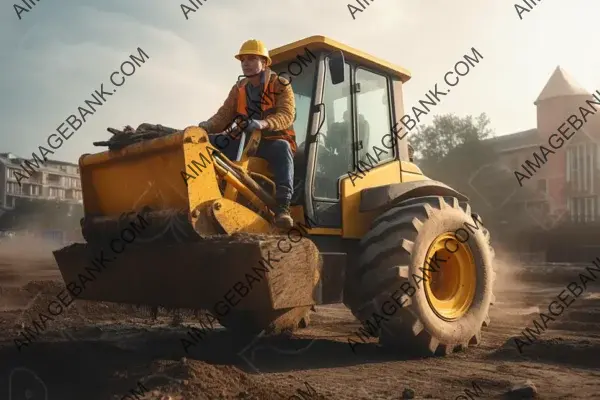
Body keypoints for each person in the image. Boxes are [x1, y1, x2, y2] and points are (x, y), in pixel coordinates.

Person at [198, 39, 296, 229]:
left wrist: (264, 123)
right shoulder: (239, 89)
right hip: (245, 140)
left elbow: (286, 115)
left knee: (282, 149)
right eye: (243, 60)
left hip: (272, 141)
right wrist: (205, 127)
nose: (246, 63)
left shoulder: (280, 85)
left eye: (252, 59)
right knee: (204, 143)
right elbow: (223, 116)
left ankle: (283, 207)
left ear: (265, 63)